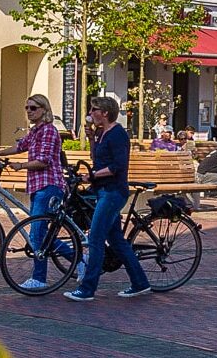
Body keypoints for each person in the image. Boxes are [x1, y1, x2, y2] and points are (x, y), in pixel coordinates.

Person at [64, 96, 152, 300]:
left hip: (113, 192)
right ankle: (140, 282)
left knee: (95, 238)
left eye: (94, 109)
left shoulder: (118, 134)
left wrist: (93, 175)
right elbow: (97, 160)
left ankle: (87, 289)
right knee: (117, 241)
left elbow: (117, 166)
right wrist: (92, 139)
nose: (90, 113)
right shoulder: (102, 133)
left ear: (105, 113)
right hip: (102, 190)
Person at [0, 93, 66, 292]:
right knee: (41, 234)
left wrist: (21, 165)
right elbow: (19, 146)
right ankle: (79, 260)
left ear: (44, 110)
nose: (29, 112)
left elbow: (44, 160)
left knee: (37, 233)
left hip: (49, 186)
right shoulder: (35, 131)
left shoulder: (49, 131)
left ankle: (39, 279)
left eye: (33, 108)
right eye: (27, 108)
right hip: (37, 186)